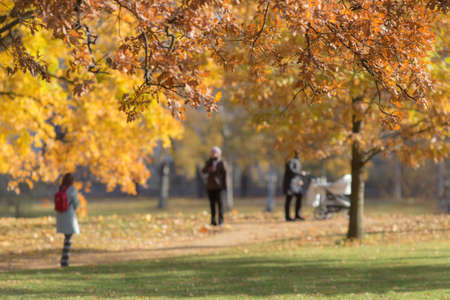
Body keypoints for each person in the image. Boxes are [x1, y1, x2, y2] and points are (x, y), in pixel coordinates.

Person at [55, 173, 80, 267]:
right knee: (68, 238)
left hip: (61, 215)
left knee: (67, 237)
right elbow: (76, 203)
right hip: (69, 214)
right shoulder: (72, 189)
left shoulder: (61, 188)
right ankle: (64, 261)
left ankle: (64, 259)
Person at [202, 146, 227, 226]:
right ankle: (213, 221)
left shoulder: (221, 162)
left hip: (219, 187)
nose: (213, 154)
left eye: (214, 152)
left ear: (219, 153)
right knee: (212, 204)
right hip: (210, 186)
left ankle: (221, 221)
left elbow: (224, 175)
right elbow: (203, 171)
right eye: (212, 152)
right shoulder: (209, 162)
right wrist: (209, 166)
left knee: (220, 204)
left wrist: (224, 186)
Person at [282, 152, 306, 221]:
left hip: (296, 183)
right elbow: (291, 170)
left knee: (299, 196)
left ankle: (297, 215)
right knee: (289, 200)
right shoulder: (290, 160)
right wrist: (300, 173)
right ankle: (287, 217)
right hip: (290, 183)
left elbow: (296, 172)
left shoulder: (297, 161)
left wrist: (300, 180)